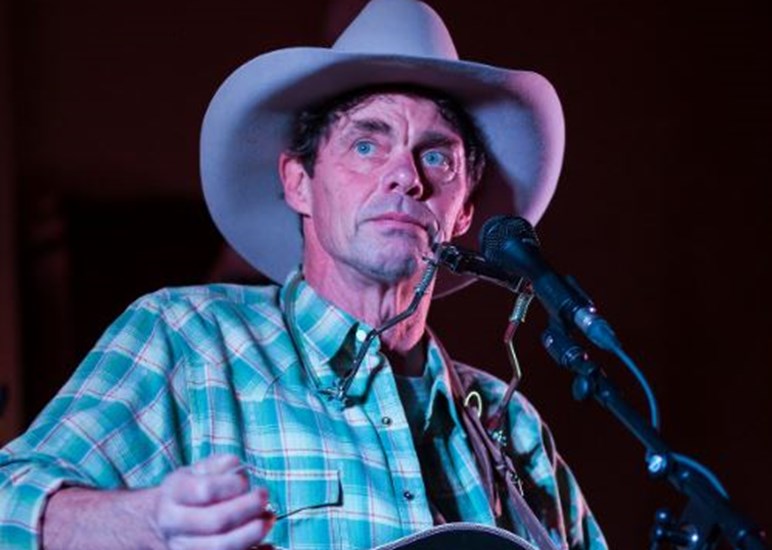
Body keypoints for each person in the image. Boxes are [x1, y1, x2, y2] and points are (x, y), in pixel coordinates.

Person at [0, 0, 608, 548]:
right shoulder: (190, 339)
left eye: (435, 156)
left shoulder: (515, 432)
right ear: (298, 183)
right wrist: (145, 523)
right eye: (367, 145)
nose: (406, 176)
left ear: (464, 211)